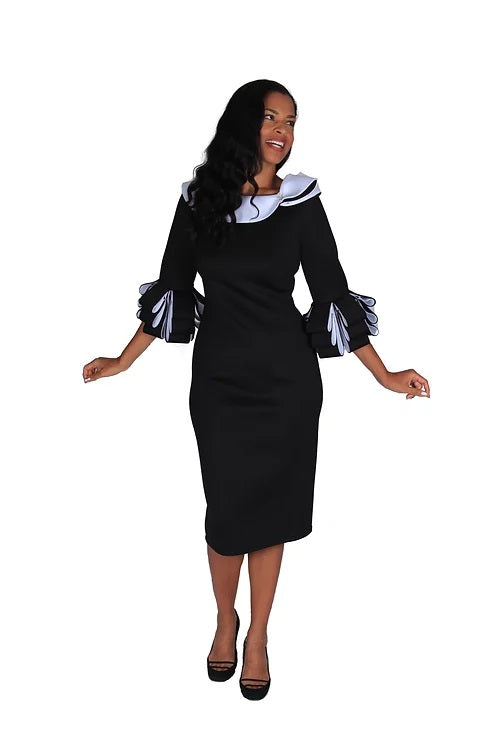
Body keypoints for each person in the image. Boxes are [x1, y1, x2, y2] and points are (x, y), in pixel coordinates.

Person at [82, 79, 430, 701]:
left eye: (291, 121)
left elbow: (330, 291)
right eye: (271, 117)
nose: (282, 131)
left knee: (271, 515)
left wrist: (384, 374)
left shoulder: (301, 203)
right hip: (219, 383)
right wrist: (122, 361)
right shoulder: (199, 202)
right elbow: (172, 286)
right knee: (226, 515)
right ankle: (225, 621)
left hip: (287, 385)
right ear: (243, 123)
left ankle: (259, 636)